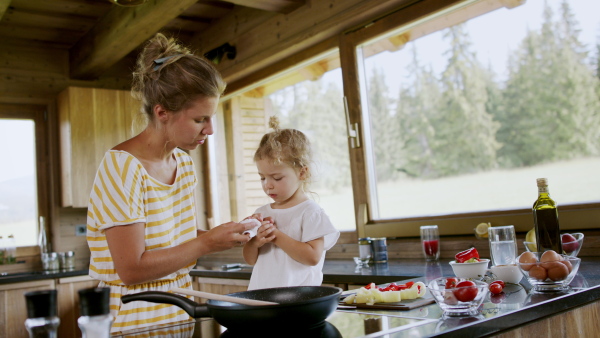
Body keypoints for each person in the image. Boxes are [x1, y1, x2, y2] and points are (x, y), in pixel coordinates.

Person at [86, 33, 261, 333]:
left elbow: (172, 237)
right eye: (200, 119)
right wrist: (206, 243)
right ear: (162, 112)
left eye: (211, 118)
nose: (210, 129)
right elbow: (131, 269)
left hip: (179, 311)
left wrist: (232, 235)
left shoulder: (183, 164)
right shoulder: (122, 167)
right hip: (131, 319)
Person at [243, 116, 340, 290]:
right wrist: (255, 241)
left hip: (298, 301)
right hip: (263, 299)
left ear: (302, 173)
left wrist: (276, 236)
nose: (268, 185)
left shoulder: (310, 212)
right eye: (262, 178)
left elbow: (313, 257)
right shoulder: (262, 212)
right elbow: (250, 260)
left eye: (277, 177)